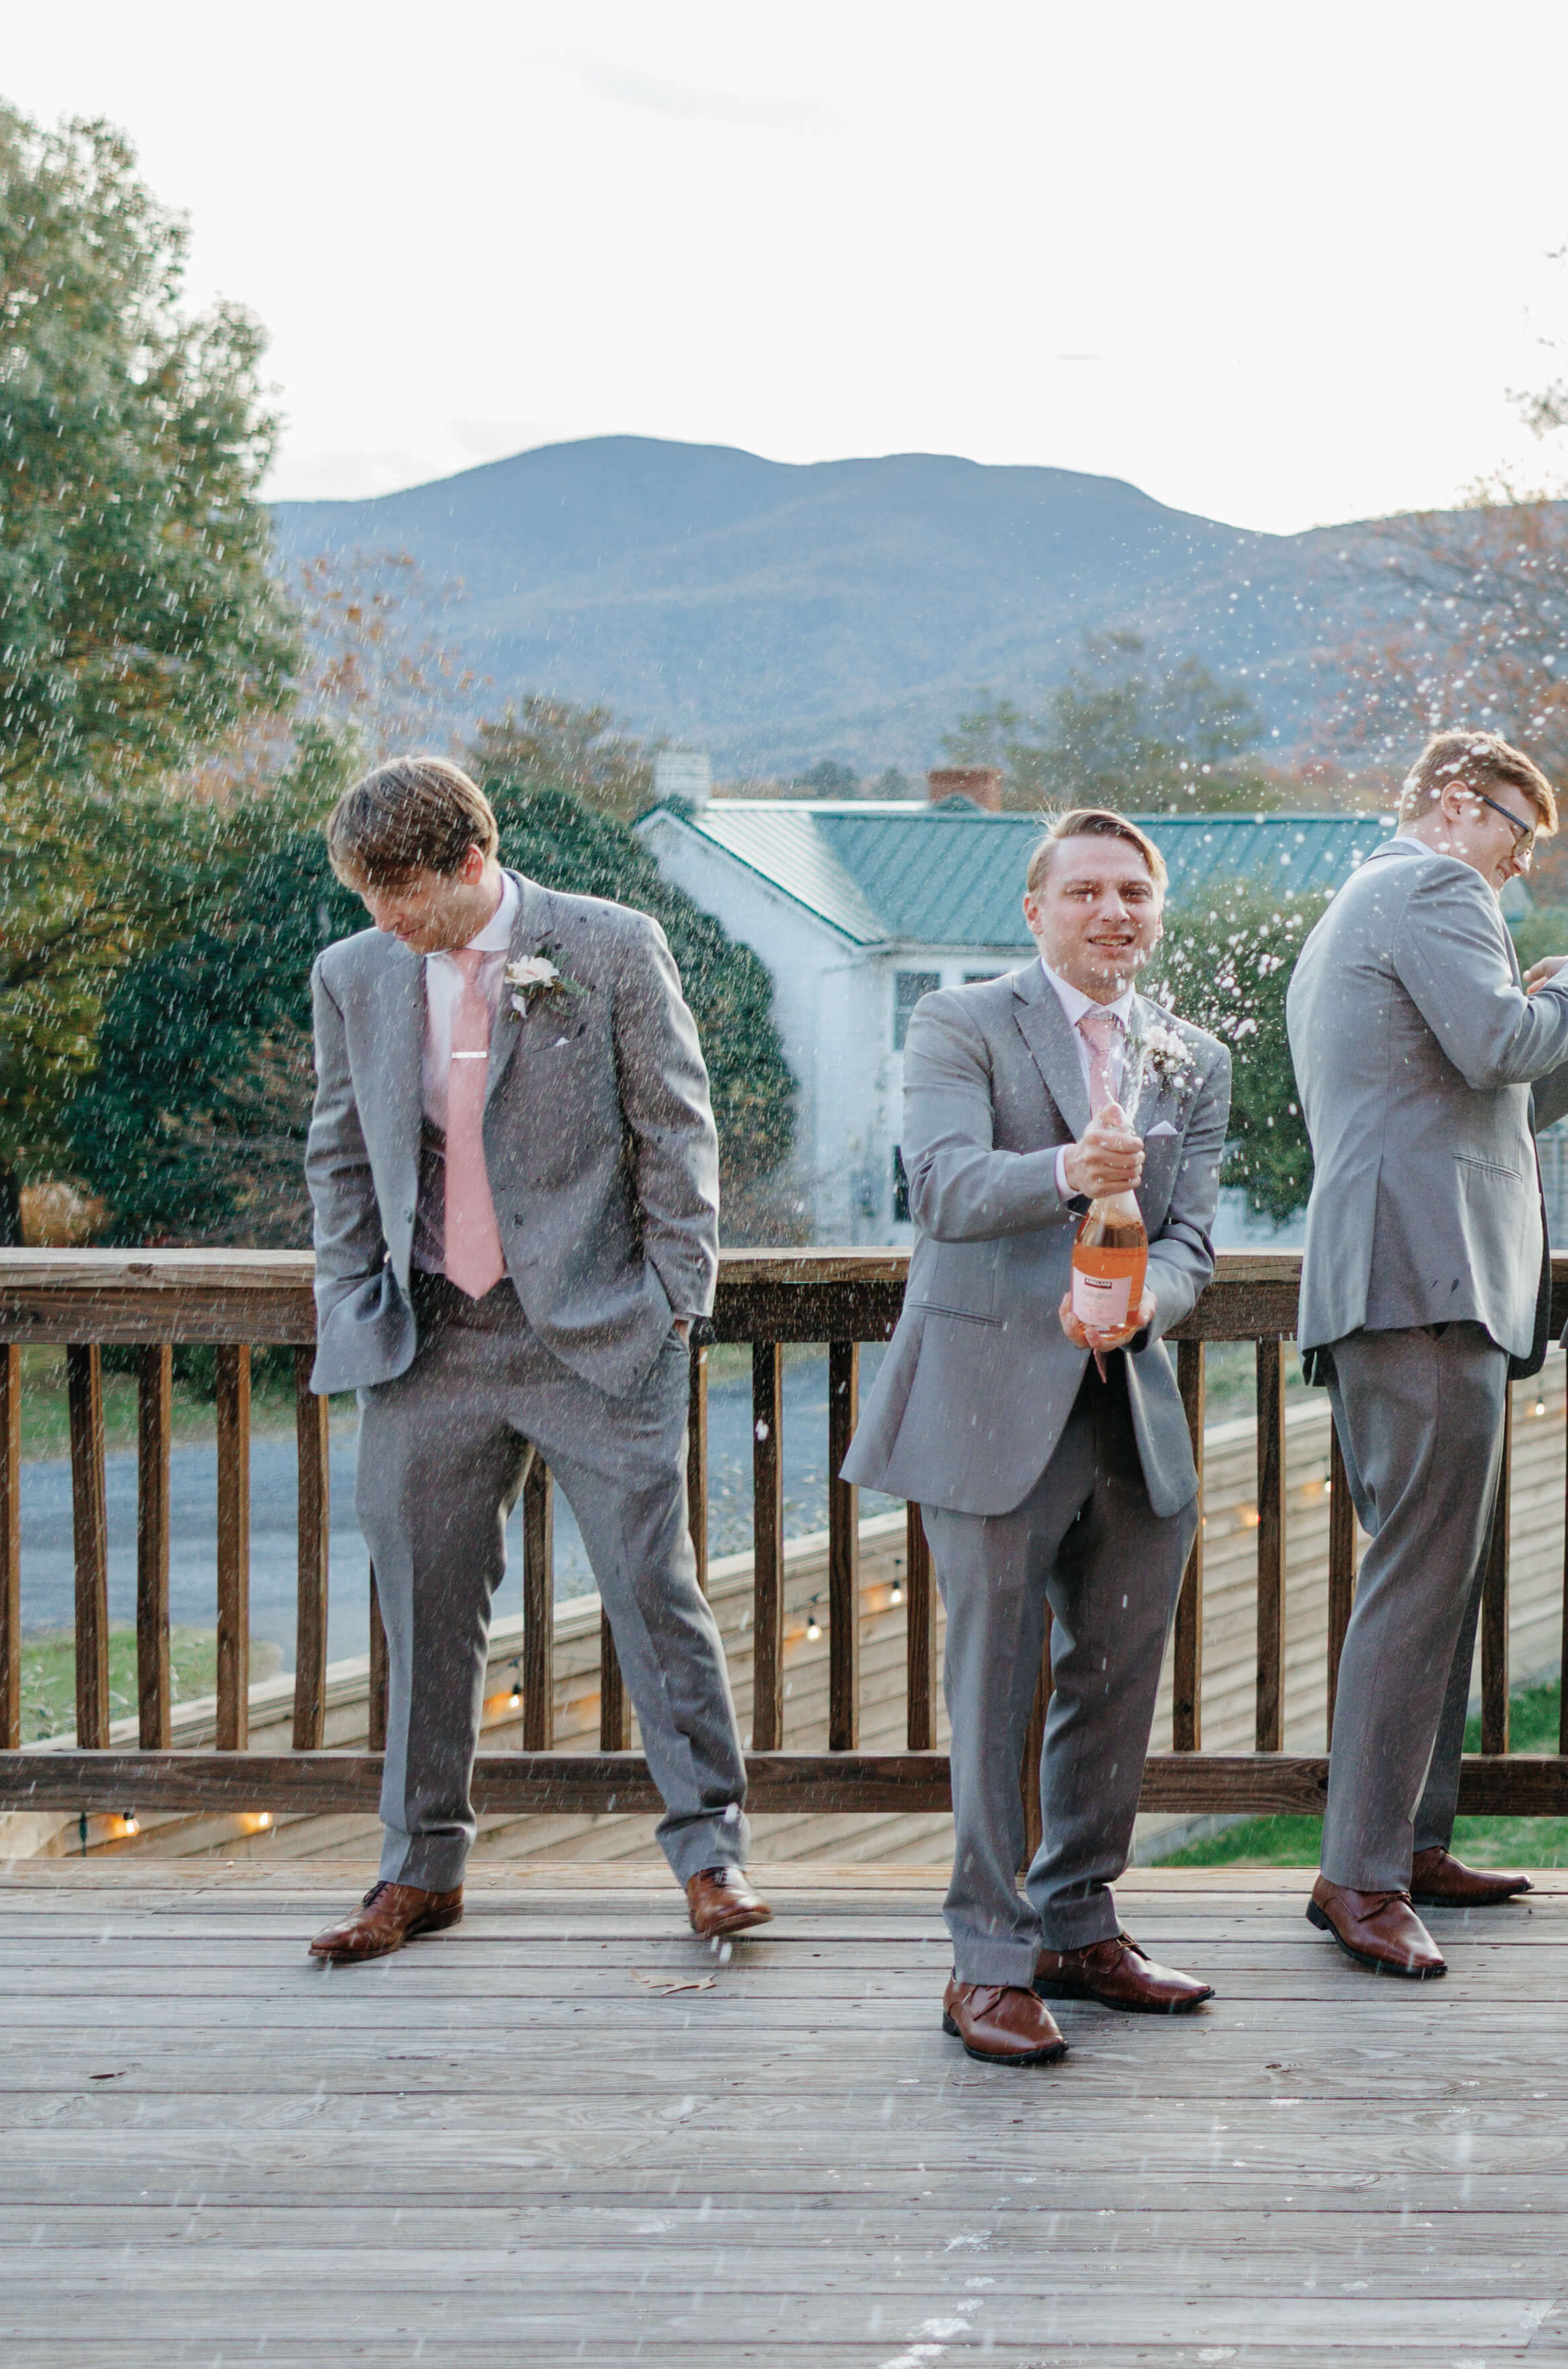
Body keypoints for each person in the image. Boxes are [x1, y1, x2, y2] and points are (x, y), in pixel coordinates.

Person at [292, 754, 764, 1964]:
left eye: (404, 896)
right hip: (426, 1341)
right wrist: (354, 1297)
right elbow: (340, 1154)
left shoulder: (607, 946)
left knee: (654, 1596)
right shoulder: (354, 975)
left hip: (601, 1335)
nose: (386, 924)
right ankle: (420, 1870)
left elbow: (676, 1127)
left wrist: (673, 1305)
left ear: (470, 862)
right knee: (423, 1608)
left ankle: (711, 1856)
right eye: (365, 900)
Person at [844, 808, 1231, 2066]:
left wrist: (1140, 1303)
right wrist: (1072, 1167)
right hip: (988, 1408)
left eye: (1135, 892)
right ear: (1036, 909)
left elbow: (1191, 1245)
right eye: (1086, 892)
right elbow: (946, 1184)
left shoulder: (1191, 1054)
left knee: (1115, 1683)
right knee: (996, 1688)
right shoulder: (962, 1022)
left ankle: (1078, 1919)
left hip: (1129, 1409)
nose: (1113, 912)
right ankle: (988, 1962)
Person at [1285, 730, 1568, 1984]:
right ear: (1462, 808)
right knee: (1419, 1578)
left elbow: (1476, 1088)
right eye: (1519, 839)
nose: (1520, 871)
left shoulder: (1353, 908)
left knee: (1436, 1573)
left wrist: (1552, 1033)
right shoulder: (1432, 885)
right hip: (1421, 1275)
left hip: (1409, 1272)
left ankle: (1409, 1843)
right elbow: (1492, 1047)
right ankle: (1359, 1875)